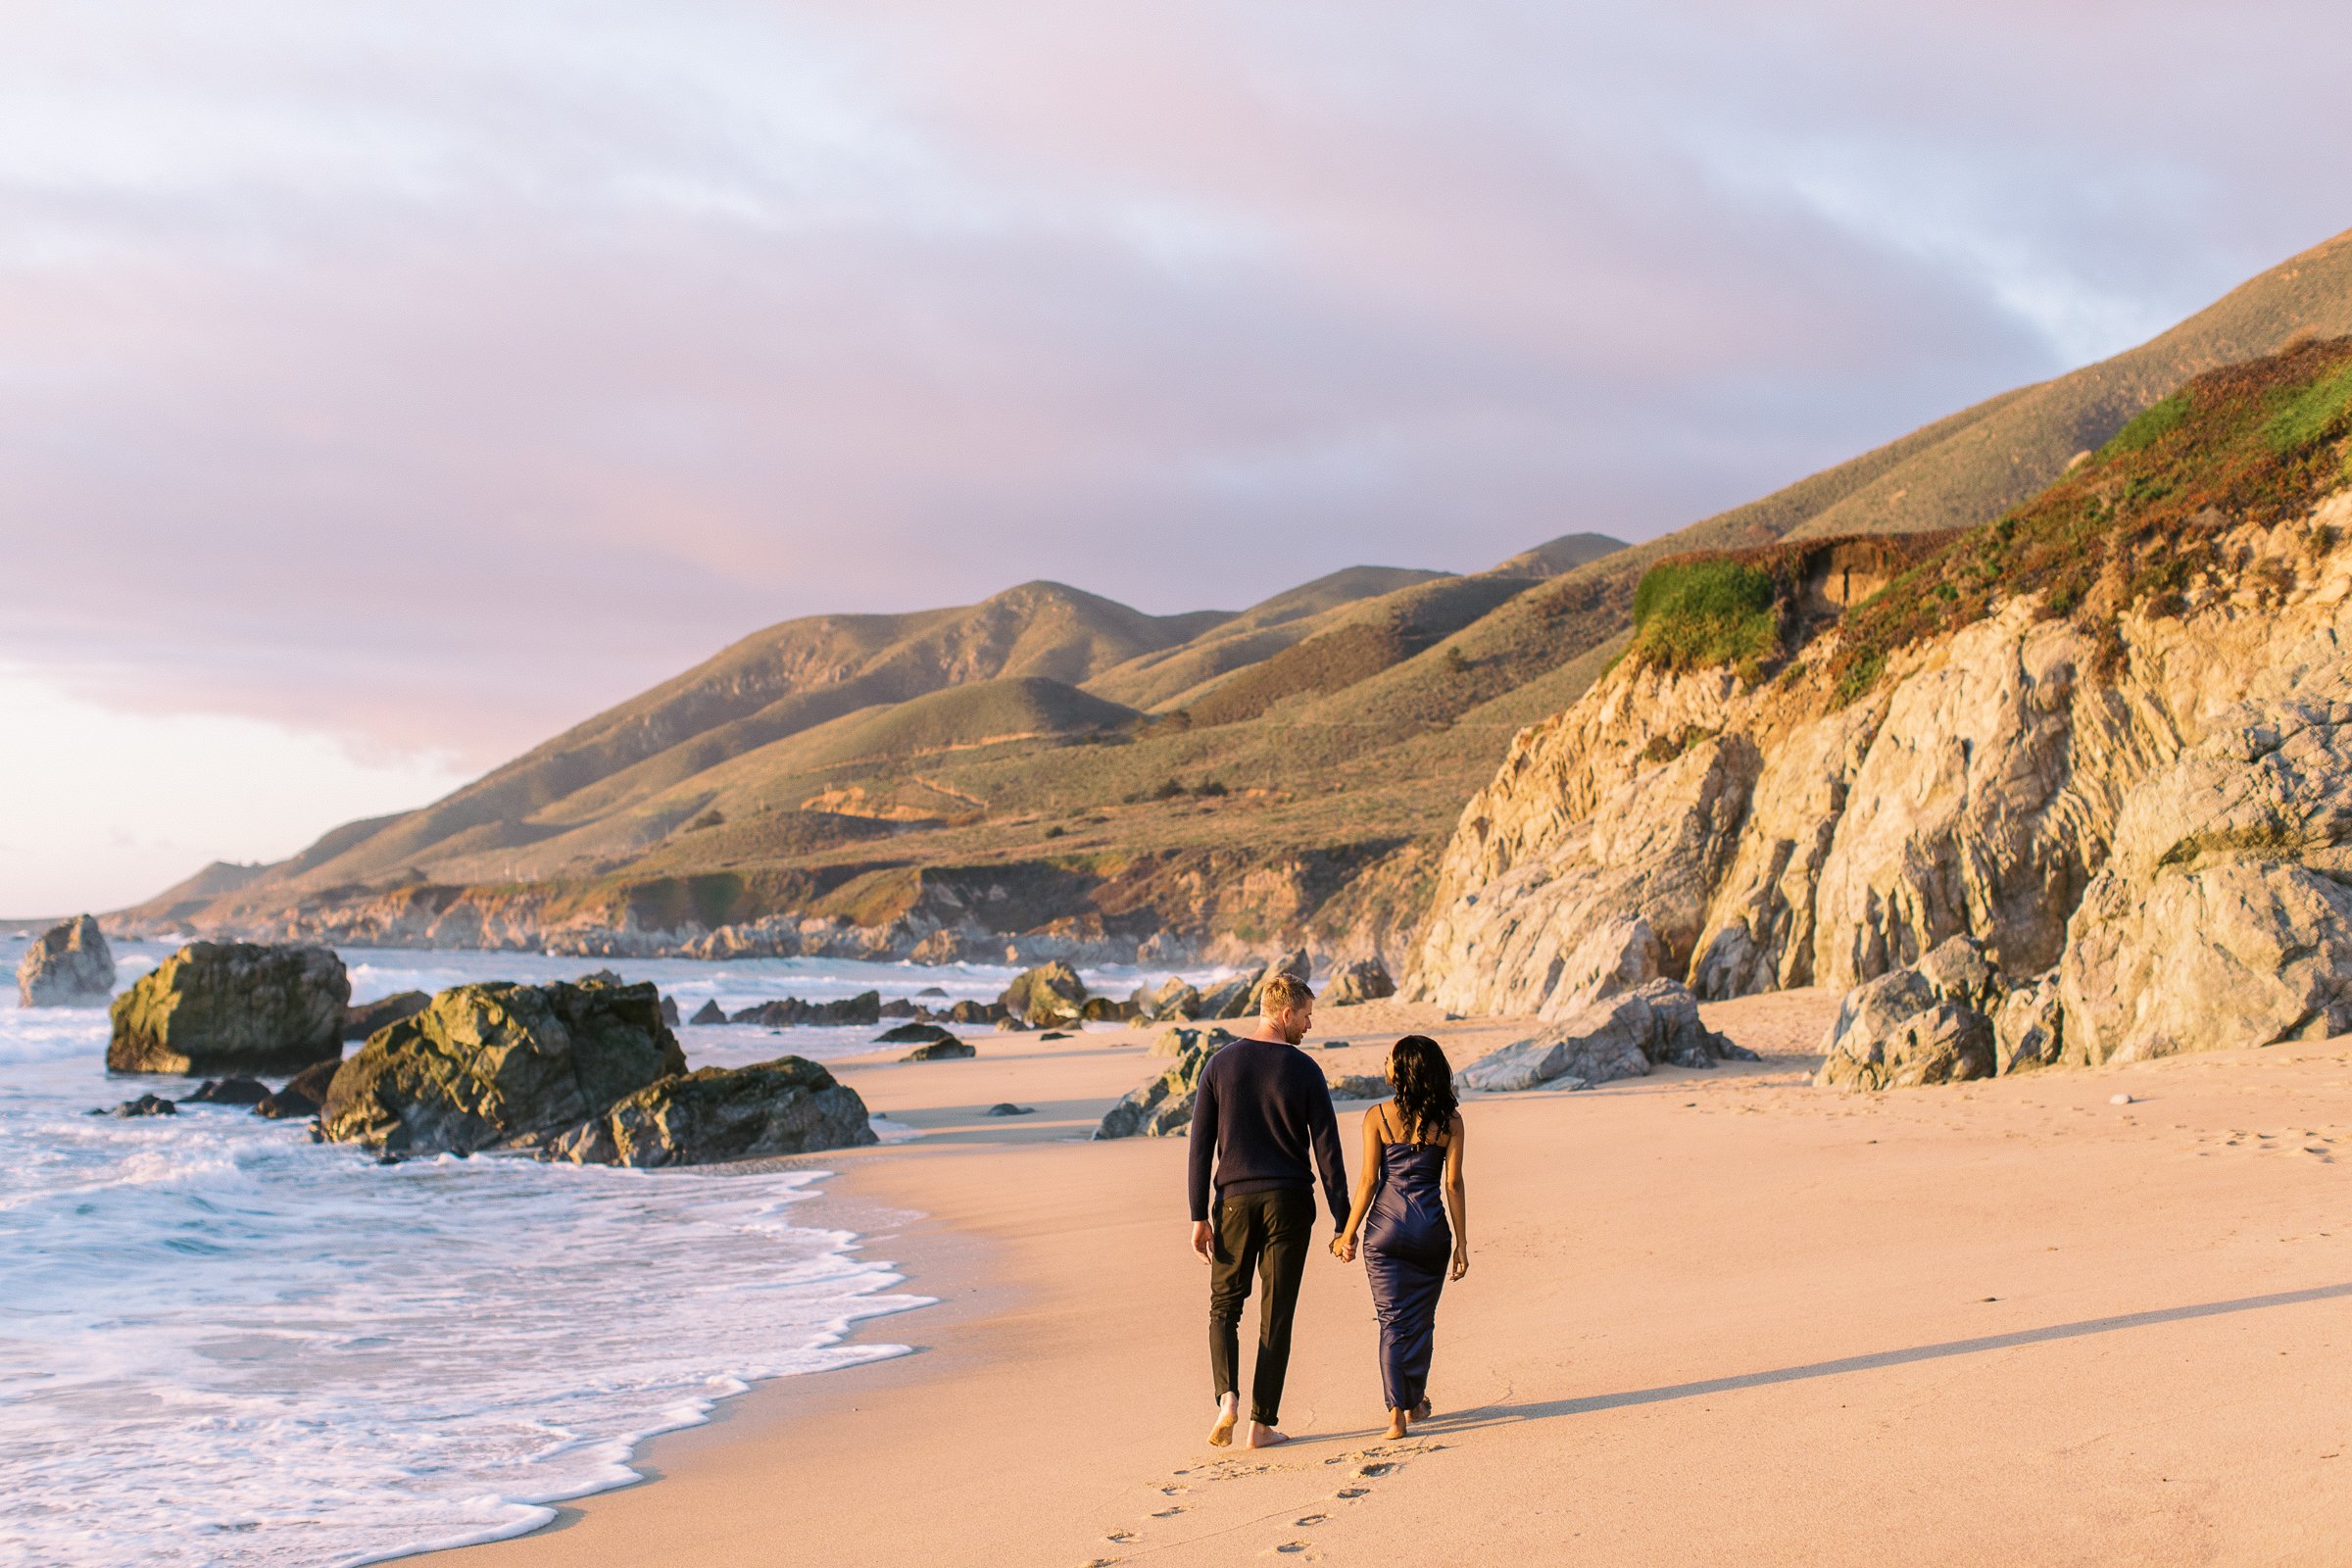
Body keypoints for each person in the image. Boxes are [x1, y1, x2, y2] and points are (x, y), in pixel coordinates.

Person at [1188, 972, 1349, 1449]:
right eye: (1305, 1016)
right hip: (1290, 1202)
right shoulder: (1304, 1070)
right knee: (1276, 1313)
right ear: (1285, 1015)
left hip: (1233, 1202)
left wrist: (1199, 1215)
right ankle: (1262, 1424)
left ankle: (1227, 1398)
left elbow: (1200, 1146)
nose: (1309, 1026)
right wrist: (1344, 1220)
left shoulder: (1220, 1064)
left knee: (1224, 1306)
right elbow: (1328, 1150)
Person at [1331, 1034, 1468, 1441]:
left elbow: (1369, 1180)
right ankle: (1416, 1398)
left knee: (1392, 1321)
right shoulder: (1451, 1121)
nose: (1385, 1063)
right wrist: (1462, 1242)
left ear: (1401, 1070)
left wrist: (1348, 1234)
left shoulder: (1377, 1116)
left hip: (1384, 1231)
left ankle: (1397, 1413)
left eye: (1389, 1058)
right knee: (1420, 1321)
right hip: (1429, 1230)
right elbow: (1454, 1184)